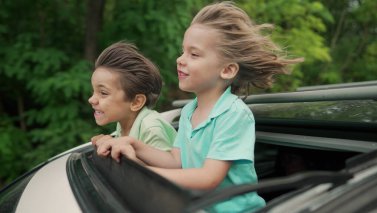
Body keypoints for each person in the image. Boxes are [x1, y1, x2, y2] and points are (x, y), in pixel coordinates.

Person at [96, 2, 303, 212]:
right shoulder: (188, 112)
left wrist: (146, 174)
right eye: (182, 51)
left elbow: (208, 178)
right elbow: (176, 161)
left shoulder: (234, 115)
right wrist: (132, 143)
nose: (180, 60)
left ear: (227, 70)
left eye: (193, 54)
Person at [89, 41, 176, 152]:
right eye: (93, 91)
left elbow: (164, 168)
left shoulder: (151, 128)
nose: (91, 99)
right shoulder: (124, 124)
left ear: (136, 102)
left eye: (103, 93)